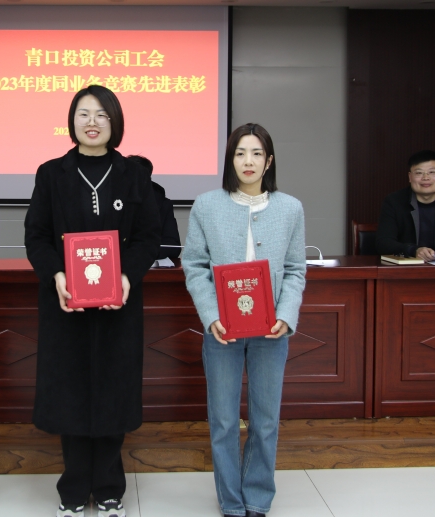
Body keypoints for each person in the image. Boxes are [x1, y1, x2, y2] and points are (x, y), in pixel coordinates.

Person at [24, 85, 161, 517]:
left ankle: (108, 485)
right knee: (70, 393)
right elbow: (36, 236)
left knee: (113, 392)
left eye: (102, 114)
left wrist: (125, 276)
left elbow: (149, 237)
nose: (92, 122)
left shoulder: (134, 174)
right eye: (84, 114)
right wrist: (57, 275)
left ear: (114, 121)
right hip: (65, 305)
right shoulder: (51, 174)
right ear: (72, 121)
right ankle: (73, 485)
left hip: (119, 305)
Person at [182, 123, 306, 517]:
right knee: (223, 420)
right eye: (239, 153)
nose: (247, 161)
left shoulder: (290, 208)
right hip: (223, 330)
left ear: (269, 161)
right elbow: (194, 265)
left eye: (256, 153)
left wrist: (286, 315)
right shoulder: (206, 205)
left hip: (272, 330)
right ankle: (232, 503)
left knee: (265, 420)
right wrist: (211, 316)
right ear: (229, 160)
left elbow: (296, 269)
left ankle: (257, 498)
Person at [125, 155, 182, 261]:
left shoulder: (163, 204)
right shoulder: (109, 202)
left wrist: (142, 254)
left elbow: (173, 247)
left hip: (151, 264)